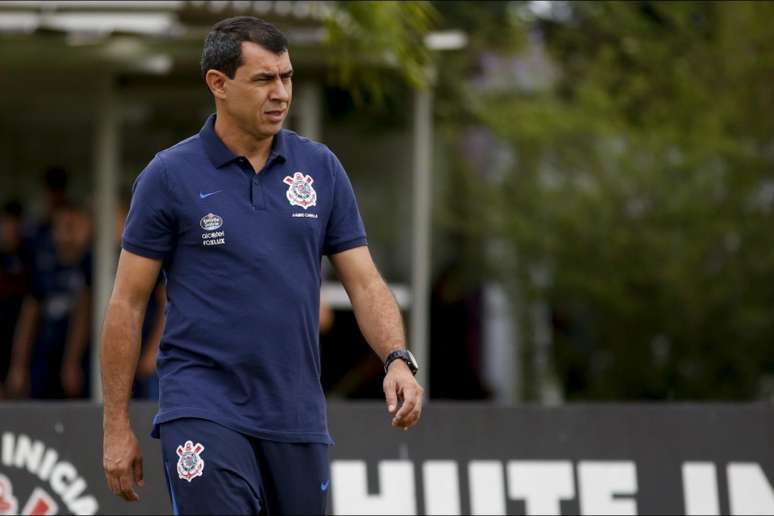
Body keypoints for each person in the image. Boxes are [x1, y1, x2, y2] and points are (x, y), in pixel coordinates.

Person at [101, 16, 424, 515]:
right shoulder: (168, 176)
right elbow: (127, 303)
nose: (280, 93)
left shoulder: (320, 169)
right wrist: (116, 425)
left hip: (295, 414)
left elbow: (364, 282)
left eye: (287, 77)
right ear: (218, 84)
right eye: (263, 79)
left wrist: (397, 358)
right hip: (202, 406)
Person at [6, 202, 93, 399]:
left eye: (74, 226)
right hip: (45, 353)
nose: (68, 235)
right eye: (63, 226)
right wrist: (18, 366)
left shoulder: (91, 262)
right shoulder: (44, 262)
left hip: (84, 358)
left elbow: (84, 314)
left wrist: (72, 361)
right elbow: (29, 316)